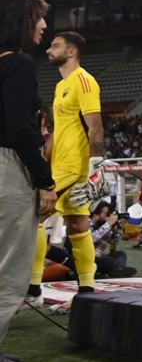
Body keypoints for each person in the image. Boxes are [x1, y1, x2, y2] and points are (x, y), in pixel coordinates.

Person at [0, 0, 56, 362]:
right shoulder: (17, 65)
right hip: (6, 170)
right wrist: (44, 179)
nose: (43, 26)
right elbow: (20, 130)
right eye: (38, 18)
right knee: (7, 273)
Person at [27, 31, 107, 314]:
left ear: (71, 51)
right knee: (77, 225)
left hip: (74, 166)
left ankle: (33, 289)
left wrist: (97, 164)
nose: (49, 49)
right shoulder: (62, 85)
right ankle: (86, 290)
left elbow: (95, 126)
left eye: (56, 45)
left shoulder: (83, 81)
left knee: (34, 214)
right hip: (62, 164)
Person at [88, 201, 137, 278]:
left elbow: (113, 242)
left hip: (98, 256)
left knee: (121, 254)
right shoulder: (87, 223)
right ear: (96, 214)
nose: (107, 217)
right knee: (110, 262)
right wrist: (108, 224)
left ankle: (118, 270)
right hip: (86, 257)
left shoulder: (103, 225)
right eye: (106, 214)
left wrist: (119, 228)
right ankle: (106, 271)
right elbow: (92, 239)